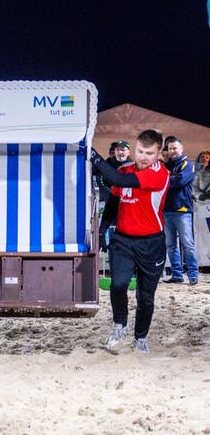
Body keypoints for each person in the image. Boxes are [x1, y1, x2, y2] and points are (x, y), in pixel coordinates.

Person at [91, 129, 170, 354]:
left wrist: (94, 155)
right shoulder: (126, 169)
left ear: (158, 154)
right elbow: (115, 200)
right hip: (123, 241)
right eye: (140, 151)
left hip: (151, 243)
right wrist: (102, 229)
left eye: (149, 153)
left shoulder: (159, 174)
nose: (143, 157)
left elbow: (116, 179)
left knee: (145, 297)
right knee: (117, 285)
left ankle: (140, 337)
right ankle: (120, 325)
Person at [161, 137, 198, 285]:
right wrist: (169, 177)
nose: (172, 151)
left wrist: (167, 178)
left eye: (175, 148)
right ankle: (177, 275)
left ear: (181, 149)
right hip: (166, 210)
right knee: (170, 245)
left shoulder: (188, 164)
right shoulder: (165, 165)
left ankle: (193, 274)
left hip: (182, 211)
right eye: (170, 148)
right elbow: (164, 179)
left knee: (187, 244)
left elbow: (180, 181)